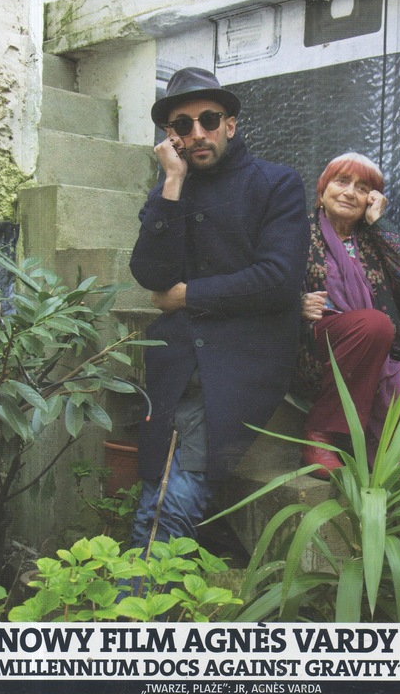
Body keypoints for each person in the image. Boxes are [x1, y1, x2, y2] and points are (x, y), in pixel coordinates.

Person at [128, 67, 309, 548]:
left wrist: (187, 295)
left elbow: (278, 280)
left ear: (230, 123)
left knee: (169, 507)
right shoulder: (169, 191)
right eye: (182, 125)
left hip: (241, 362)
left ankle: (143, 590)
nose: (198, 133)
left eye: (208, 120)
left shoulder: (276, 183)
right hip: (177, 363)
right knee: (155, 494)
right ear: (171, 135)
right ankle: (145, 591)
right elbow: (150, 275)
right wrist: (171, 183)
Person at [299, 152, 400, 480]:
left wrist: (378, 222)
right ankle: (321, 433)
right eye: (341, 181)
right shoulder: (297, 231)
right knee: (375, 324)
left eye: (362, 188)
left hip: (376, 349)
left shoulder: (371, 238)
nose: (350, 192)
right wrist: (297, 303)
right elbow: (266, 282)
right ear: (322, 190)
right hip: (315, 347)